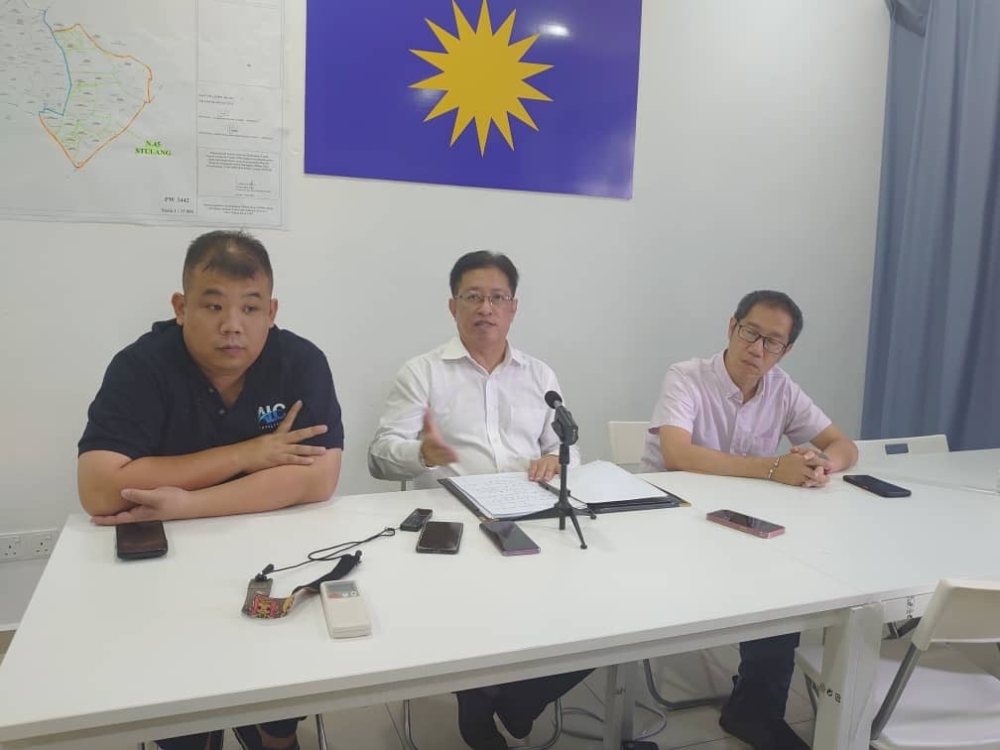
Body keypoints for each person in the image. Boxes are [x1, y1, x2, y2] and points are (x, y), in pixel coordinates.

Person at [78, 230, 344, 750]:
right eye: (214, 305)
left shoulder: (301, 362)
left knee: (280, 687)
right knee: (182, 707)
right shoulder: (141, 366)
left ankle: (271, 728)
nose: (232, 326)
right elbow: (100, 487)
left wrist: (189, 502)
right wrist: (249, 455)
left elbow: (318, 478)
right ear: (181, 307)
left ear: (272, 310)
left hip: (272, 555)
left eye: (250, 308)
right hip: (167, 572)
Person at [368, 250, 588, 750]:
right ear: (453, 306)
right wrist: (421, 452)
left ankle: (511, 697)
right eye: (473, 297)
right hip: (454, 525)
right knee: (472, 612)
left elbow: (561, 443)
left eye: (496, 298)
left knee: (599, 611)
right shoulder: (422, 372)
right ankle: (477, 689)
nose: (485, 308)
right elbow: (380, 457)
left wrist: (554, 458)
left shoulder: (540, 376)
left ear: (513, 307)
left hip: (529, 514)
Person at [641, 290, 858, 750]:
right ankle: (752, 707)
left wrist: (821, 463)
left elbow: (844, 445)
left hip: (742, 523)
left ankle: (755, 712)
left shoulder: (782, 387)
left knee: (790, 574)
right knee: (772, 569)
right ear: (731, 327)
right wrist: (775, 468)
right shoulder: (687, 376)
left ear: (786, 350)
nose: (757, 349)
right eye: (750, 333)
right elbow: (677, 454)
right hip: (672, 523)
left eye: (772, 342)